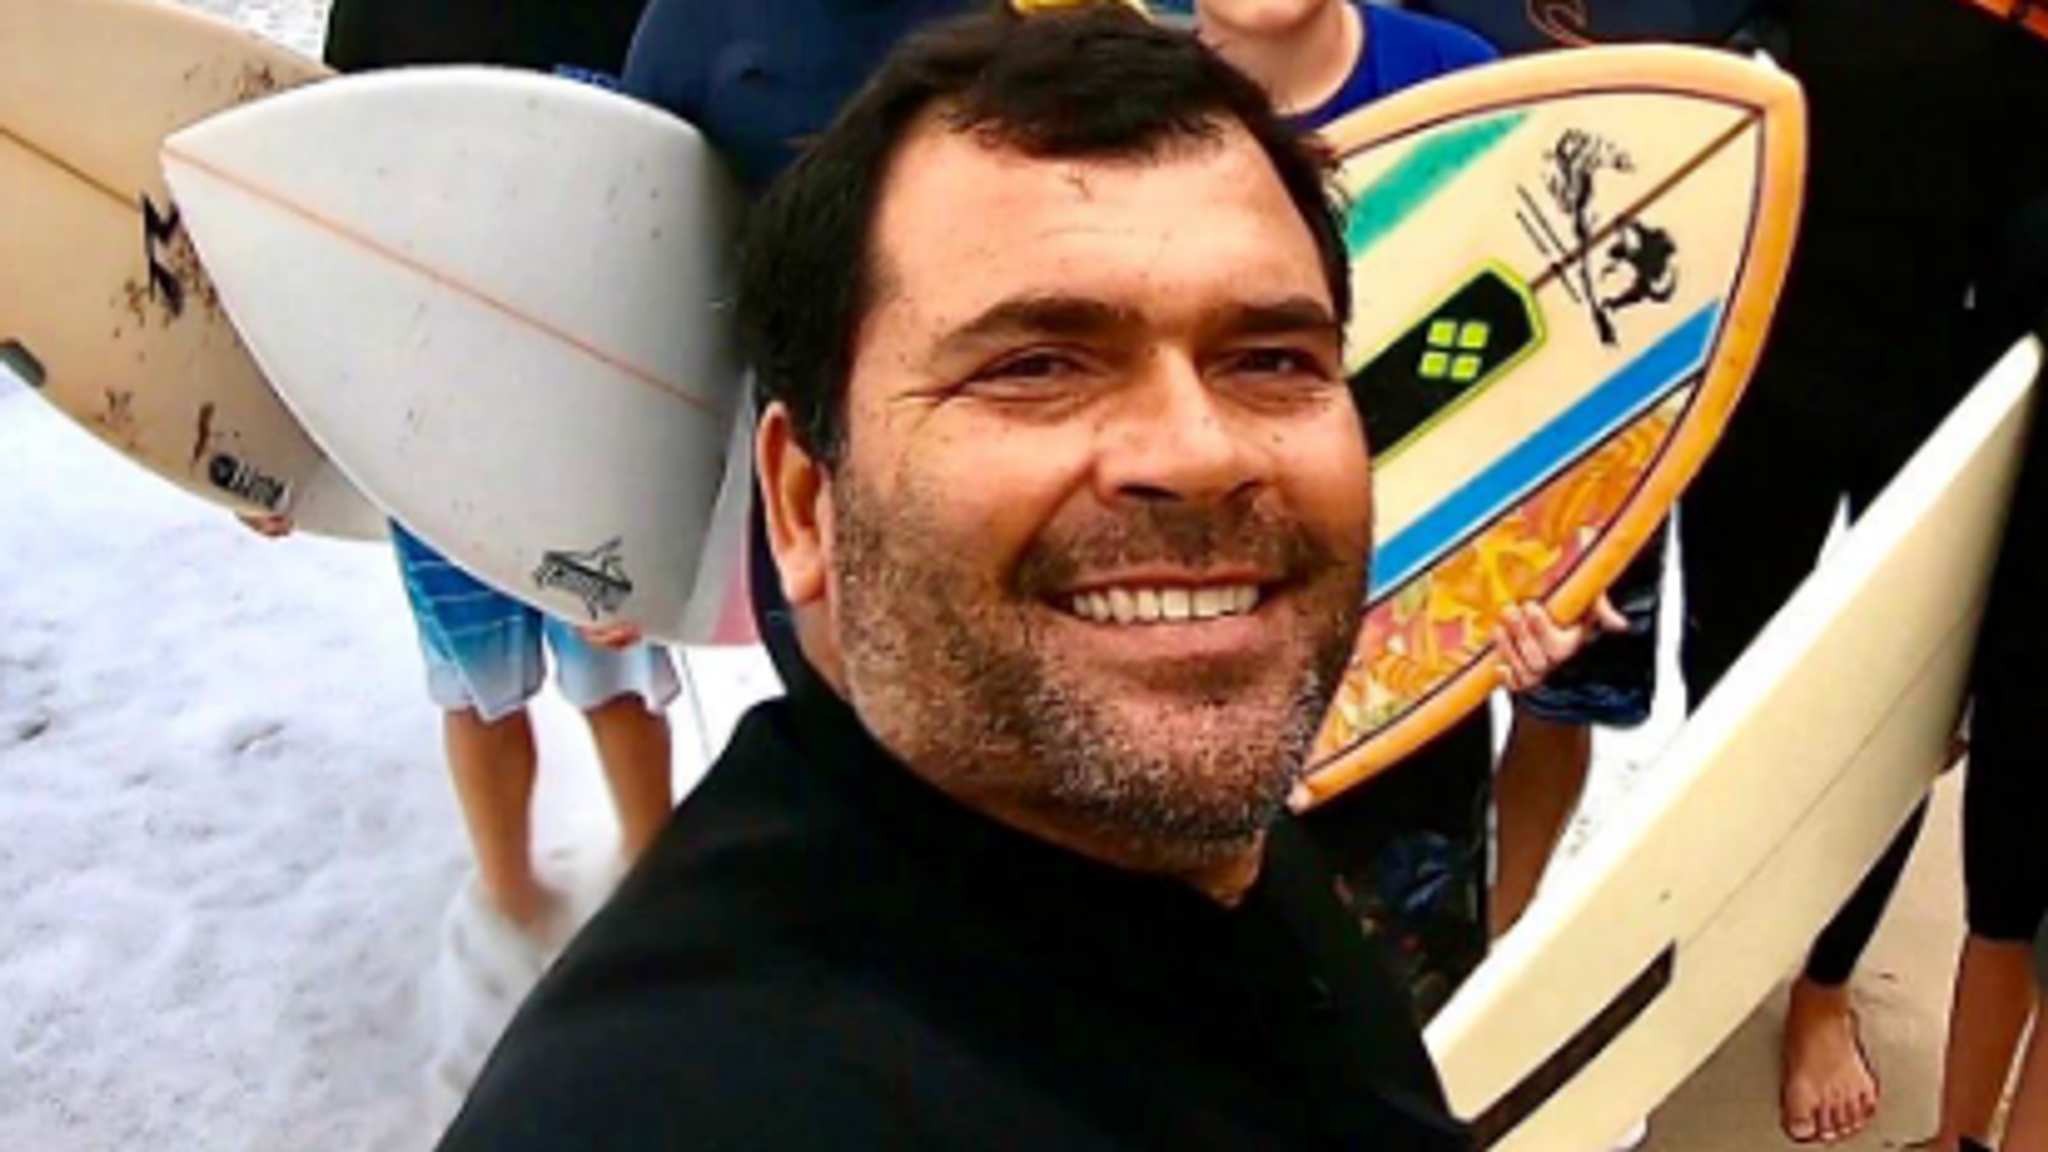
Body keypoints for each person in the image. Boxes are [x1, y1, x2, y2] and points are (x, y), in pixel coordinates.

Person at [440, 8, 1469, 1147]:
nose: (1197, 453)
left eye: (1270, 358)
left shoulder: (1201, 860)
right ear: (803, 501)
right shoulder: (655, 1115)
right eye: (1035, 366)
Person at [1666, 0, 2046, 1141]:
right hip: (1769, 347)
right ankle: (1709, 921)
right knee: (1725, 674)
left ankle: (1824, 984)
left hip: (1959, 382)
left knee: (1895, 710)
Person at [1196, 0, 1618, 1015]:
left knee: (1390, 1013)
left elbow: (1550, 376)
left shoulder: (1459, 82)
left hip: (1404, 686)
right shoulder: (1117, 116)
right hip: (1193, 662)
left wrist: (1551, 556)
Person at [265, 0, 681, 947]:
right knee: (475, 686)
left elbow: (677, 216)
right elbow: (310, 209)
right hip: (429, 419)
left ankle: (657, 902)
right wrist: (267, 450)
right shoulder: (379, 11)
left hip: (587, 425)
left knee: (615, 670)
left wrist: (678, 488)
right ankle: (512, 910)